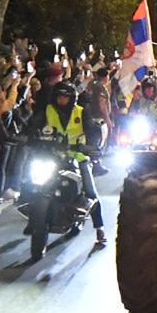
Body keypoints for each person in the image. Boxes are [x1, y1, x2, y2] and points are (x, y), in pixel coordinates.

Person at [40, 81, 105, 246]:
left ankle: (100, 229)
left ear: (72, 99)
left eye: (65, 97)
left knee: (91, 193)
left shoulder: (81, 112)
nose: (62, 99)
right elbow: (34, 126)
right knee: (32, 176)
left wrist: (90, 146)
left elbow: (92, 131)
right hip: (52, 155)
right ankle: (27, 202)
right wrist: (27, 137)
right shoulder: (47, 110)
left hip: (77, 156)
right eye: (59, 96)